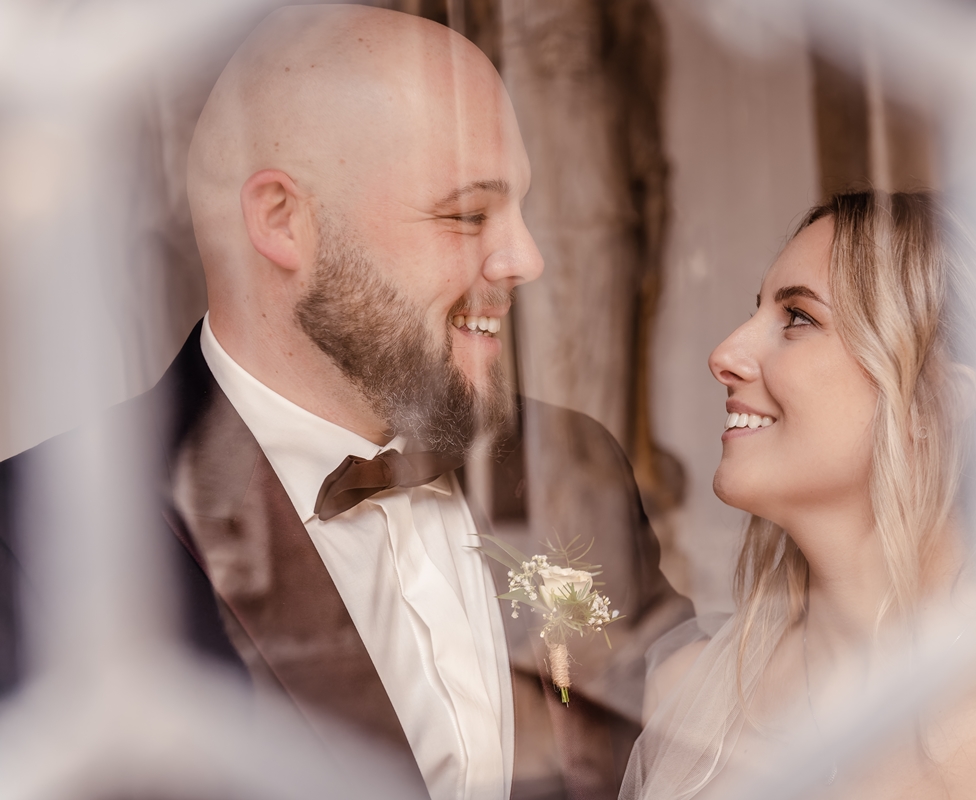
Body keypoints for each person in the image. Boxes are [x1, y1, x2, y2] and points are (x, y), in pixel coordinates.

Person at [0, 6, 692, 800]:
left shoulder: (572, 463)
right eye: (468, 214)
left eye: (520, 210)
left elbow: (684, 736)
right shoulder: (41, 542)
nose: (526, 258)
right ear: (282, 221)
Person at [620, 191, 976, 799]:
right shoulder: (688, 699)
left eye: (798, 318)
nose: (724, 355)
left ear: (934, 403)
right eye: (757, 311)